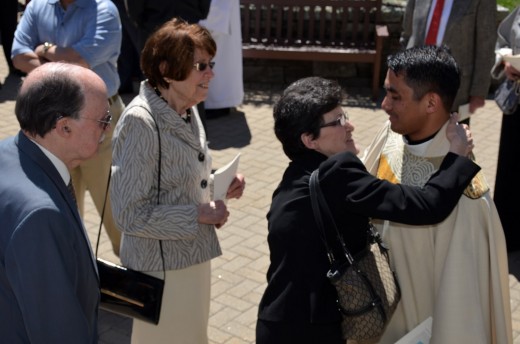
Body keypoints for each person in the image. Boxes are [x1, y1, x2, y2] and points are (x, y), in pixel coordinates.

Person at [256, 76, 480, 344]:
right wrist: (456, 154)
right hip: (310, 332)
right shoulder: (337, 175)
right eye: (338, 121)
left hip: (276, 322)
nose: (350, 125)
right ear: (309, 140)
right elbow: (426, 206)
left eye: (345, 115)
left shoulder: (293, 178)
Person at [362, 45, 512, 343]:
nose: (384, 105)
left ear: (431, 103)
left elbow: (462, 306)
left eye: (395, 96)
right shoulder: (390, 135)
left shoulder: (466, 195)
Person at [110, 18, 246, 343]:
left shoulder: (186, 107)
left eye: (211, 64)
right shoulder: (141, 123)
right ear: (168, 70)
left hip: (191, 260)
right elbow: (129, 214)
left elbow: (175, 182)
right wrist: (199, 214)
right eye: (201, 65)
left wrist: (217, 185)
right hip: (159, 272)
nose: (211, 73)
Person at [0, 62, 109, 343]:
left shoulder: (9, 152)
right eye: (103, 120)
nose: (109, 128)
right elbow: (57, 331)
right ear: (64, 127)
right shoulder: (41, 216)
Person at [11, 0, 123, 256]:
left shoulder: (104, 10)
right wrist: (63, 62)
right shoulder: (38, 7)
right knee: (63, 214)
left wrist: (44, 49)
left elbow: (80, 59)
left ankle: (138, 282)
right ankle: (75, 276)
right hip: (53, 128)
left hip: (100, 125)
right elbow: (18, 56)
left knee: (116, 212)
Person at [400, 0, 496, 124]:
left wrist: (478, 93)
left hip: (454, 92)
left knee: (449, 141)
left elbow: (485, 48)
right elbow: (407, 34)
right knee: (410, 140)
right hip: (414, 85)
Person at [492, 6, 520, 253]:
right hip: (516, 107)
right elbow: (503, 39)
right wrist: (507, 60)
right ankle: (506, 238)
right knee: (511, 170)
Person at [199, 0, 245, 117]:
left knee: (218, 67)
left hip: (217, 28)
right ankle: (218, 103)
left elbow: (218, 9)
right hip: (218, 26)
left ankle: (217, 104)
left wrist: (199, 25)